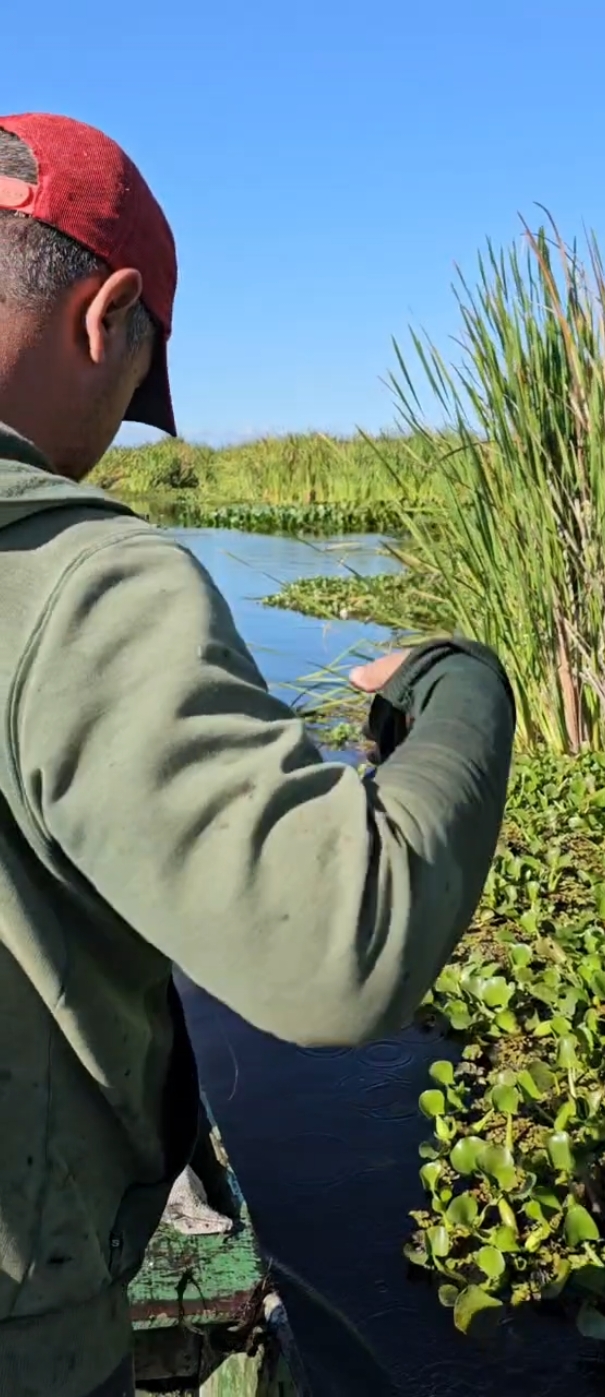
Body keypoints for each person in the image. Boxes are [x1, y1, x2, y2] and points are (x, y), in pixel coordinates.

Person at [0, 113, 516, 1397]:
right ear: (108, 316)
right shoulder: (86, 578)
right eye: (140, 382)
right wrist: (459, 686)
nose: (120, 429)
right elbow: (341, 945)